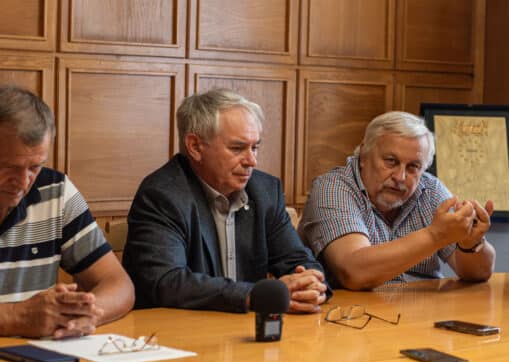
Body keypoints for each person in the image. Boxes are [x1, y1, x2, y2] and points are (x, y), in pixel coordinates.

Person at [123, 88, 328, 313]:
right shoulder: (162, 195)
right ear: (195, 146)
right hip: (175, 329)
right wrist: (252, 296)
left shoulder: (265, 191)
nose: (252, 161)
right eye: (237, 148)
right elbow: (167, 282)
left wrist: (311, 284)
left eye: (255, 147)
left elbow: (297, 259)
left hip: (244, 327)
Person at [298, 111, 496, 290]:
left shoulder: (430, 189)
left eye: (413, 167)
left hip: (423, 311)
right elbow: (354, 272)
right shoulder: (332, 188)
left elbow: (479, 273)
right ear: (364, 155)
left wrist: (471, 244)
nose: (400, 177)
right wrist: (435, 236)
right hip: (356, 313)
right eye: (391, 161)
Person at [0, 86, 134, 338]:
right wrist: (17, 317)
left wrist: (82, 314)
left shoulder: (55, 191)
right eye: (9, 167)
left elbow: (119, 284)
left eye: (35, 167)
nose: (23, 182)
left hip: (35, 357)